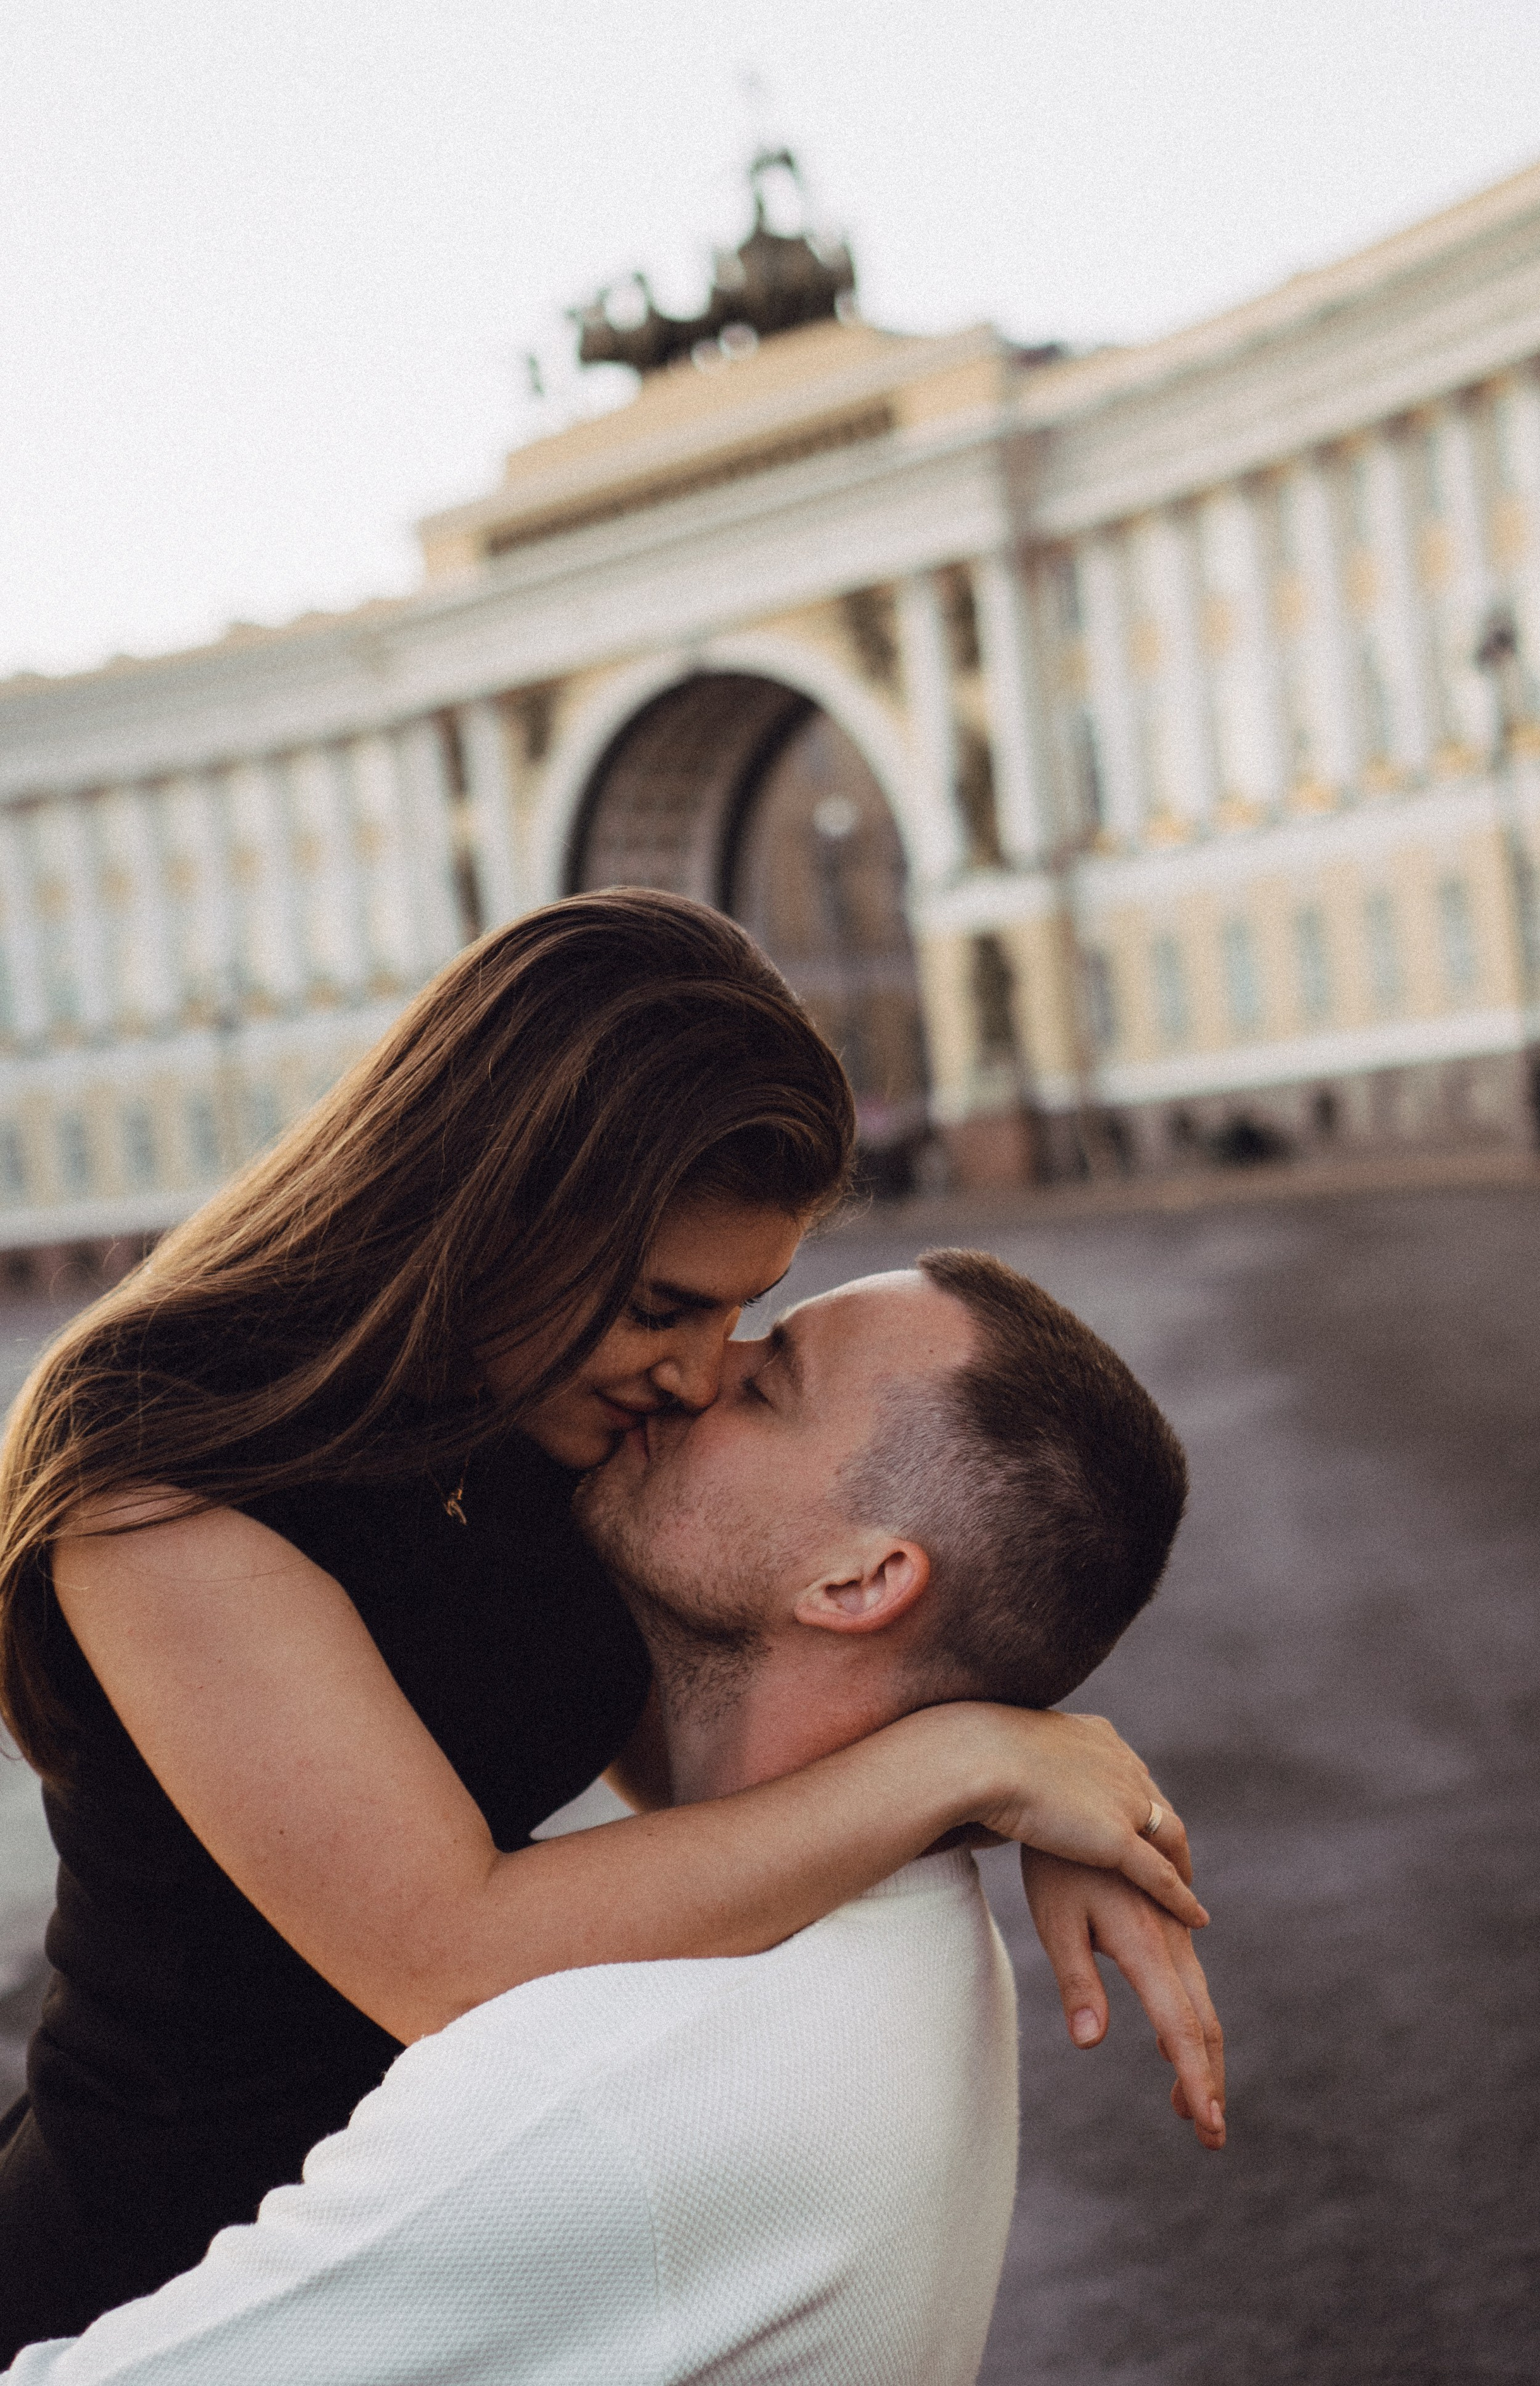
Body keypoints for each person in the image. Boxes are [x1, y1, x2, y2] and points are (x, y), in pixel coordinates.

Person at [0, 891, 1209, 2359]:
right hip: (164, 2270)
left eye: (741, 1313)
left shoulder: (540, 1414)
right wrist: (965, 1767)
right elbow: (445, 1950)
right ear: (489, 1207)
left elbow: (734, 1745)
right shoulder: (170, 1474)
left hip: (471, 2207)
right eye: (661, 1307)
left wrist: (1052, 1793)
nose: (699, 1375)